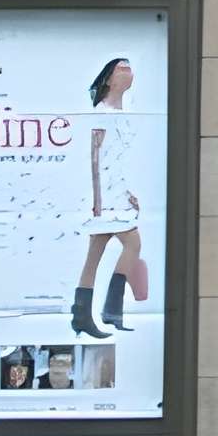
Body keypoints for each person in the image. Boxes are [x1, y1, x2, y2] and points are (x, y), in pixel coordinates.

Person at [70, 58, 149, 340]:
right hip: (104, 195)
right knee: (133, 243)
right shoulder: (102, 113)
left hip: (115, 192)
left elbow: (119, 159)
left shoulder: (122, 114)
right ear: (108, 79)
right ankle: (110, 310)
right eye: (121, 68)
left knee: (95, 253)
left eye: (130, 67)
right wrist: (99, 198)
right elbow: (96, 157)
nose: (129, 71)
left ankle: (82, 315)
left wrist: (129, 191)